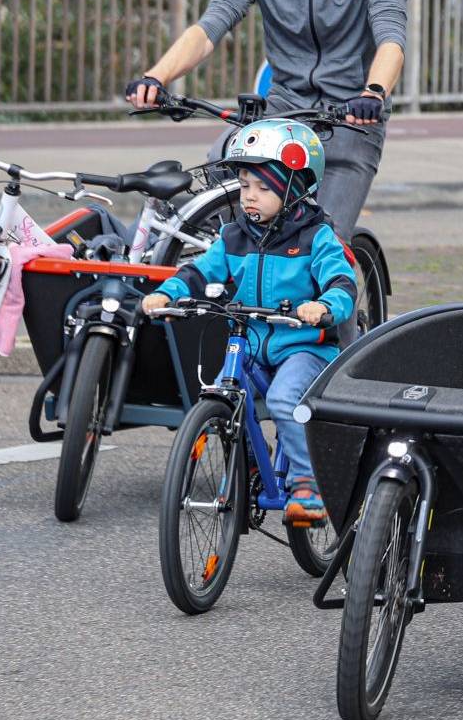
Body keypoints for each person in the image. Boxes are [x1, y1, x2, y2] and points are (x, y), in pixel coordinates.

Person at [126, 0, 407, 236]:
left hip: (350, 120)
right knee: (222, 162)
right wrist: (156, 77)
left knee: (320, 243)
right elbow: (209, 28)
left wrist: (373, 93)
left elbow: (391, 39)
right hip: (284, 111)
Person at [140, 120, 358, 526]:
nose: (250, 198)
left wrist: (324, 306)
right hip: (252, 341)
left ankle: (307, 484)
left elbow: (342, 283)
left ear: (293, 189)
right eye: (244, 187)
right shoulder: (232, 236)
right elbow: (199, 271)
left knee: (281, 401)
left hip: (303, 346)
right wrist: (166, 294)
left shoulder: (317, 237)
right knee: (225, 393)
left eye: (263, 188)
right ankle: (248, 468)